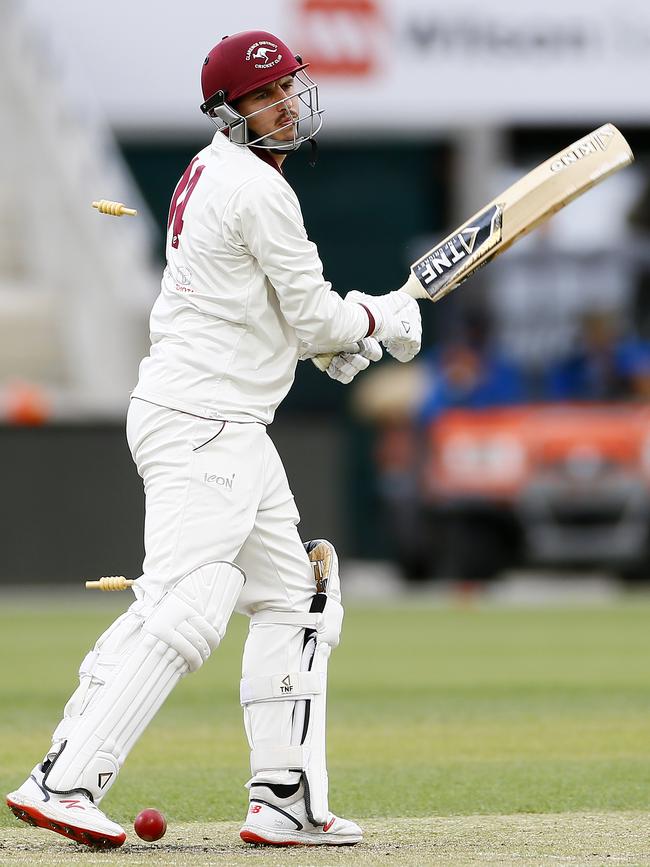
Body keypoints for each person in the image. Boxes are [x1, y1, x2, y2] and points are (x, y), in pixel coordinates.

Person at [5, 30, 421, 849]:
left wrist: (332, 342)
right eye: (265, 97)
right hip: (206, 421)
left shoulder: (213, 171)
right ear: (227, 112)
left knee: (295, 597)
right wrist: (377, 319)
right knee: (187, 599)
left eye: (289, 90)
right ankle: (64, 778)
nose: (285, 107)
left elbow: (261, 309)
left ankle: (287, 800)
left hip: (223, 418)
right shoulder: (259, 191)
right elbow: (312, 312)